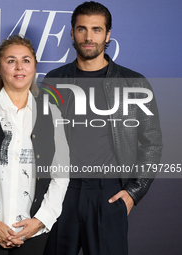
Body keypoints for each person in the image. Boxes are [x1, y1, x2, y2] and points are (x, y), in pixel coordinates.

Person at [43, 2, 163, 255]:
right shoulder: (54, 80)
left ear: (108, 35)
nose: (88, 37)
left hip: (108, 193)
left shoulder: (133, 82)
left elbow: (152, 143)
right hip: (62, 192)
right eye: (82, 29)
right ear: (72, 33)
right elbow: (41, 139)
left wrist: (133, 192)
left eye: (96, 29)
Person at [0, 34, 69, 255]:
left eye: (26, 60)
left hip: (34, 232)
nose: (19, 67)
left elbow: (61, 173)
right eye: (11, 61)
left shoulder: (51, 112)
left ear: (34, 67)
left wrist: (41, 219)